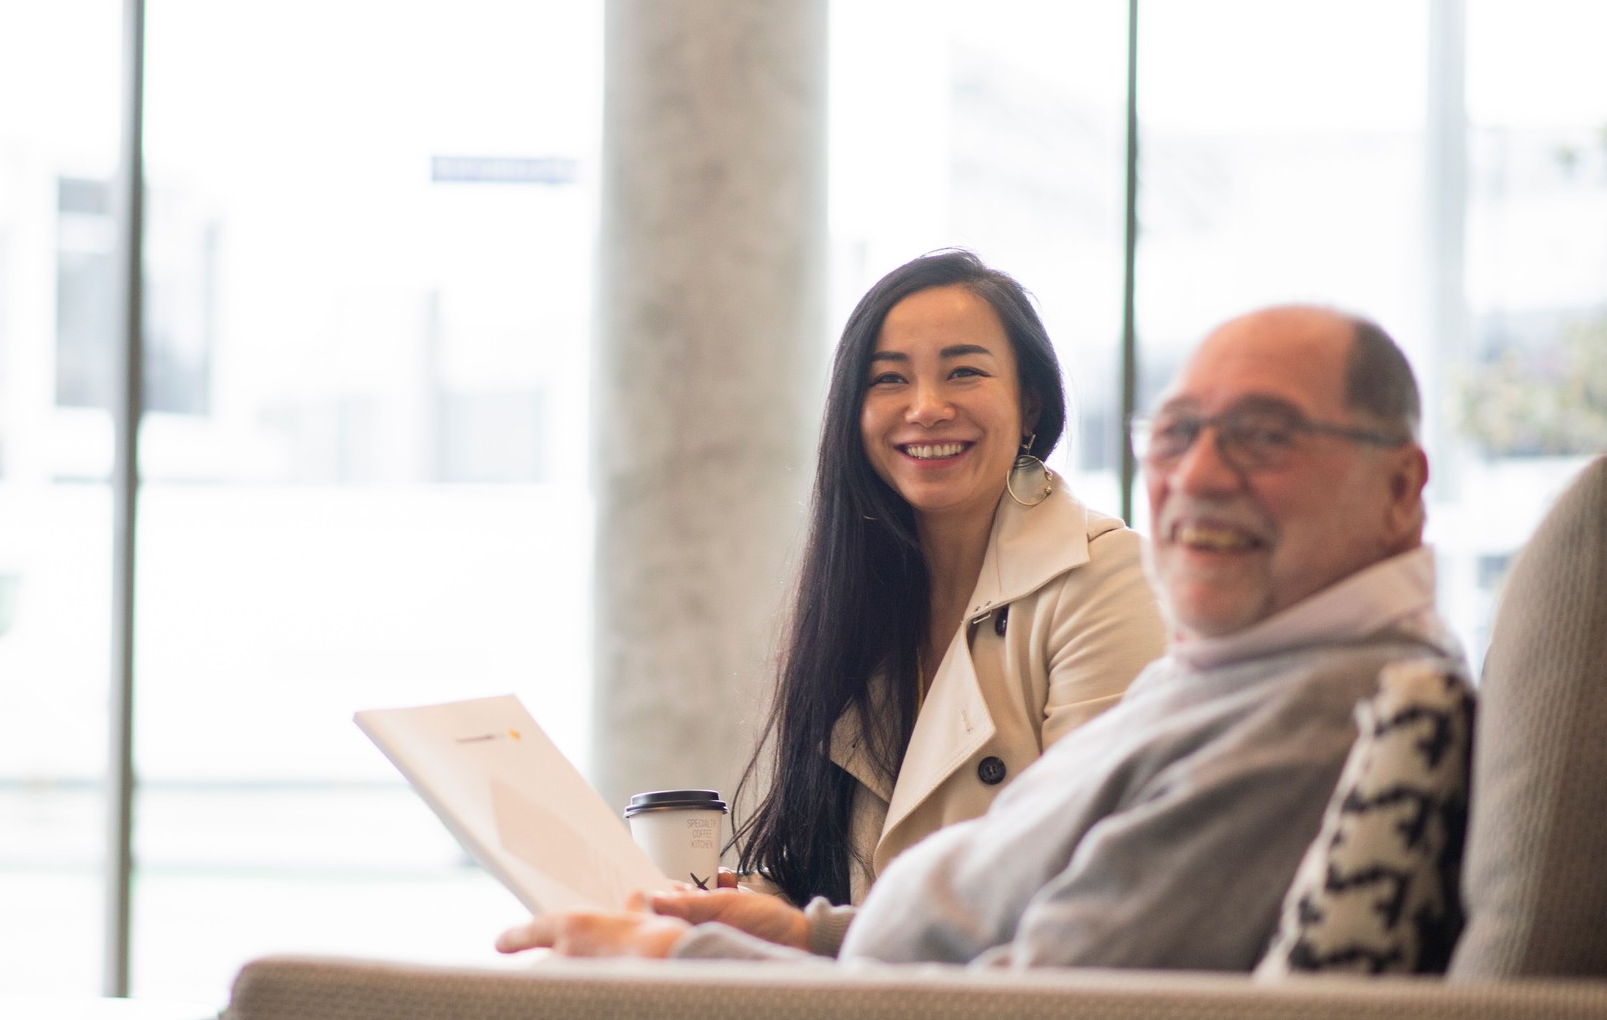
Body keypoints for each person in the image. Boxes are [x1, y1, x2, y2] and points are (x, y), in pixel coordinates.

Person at [498, 304, 1457, 970]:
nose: (1199, 475)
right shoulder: (1236, 670)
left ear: (1401, 490)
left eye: (1264, 436)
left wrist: (688, 959)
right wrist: (801, 937)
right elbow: (1022, 902)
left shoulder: (1320, 711)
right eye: (1174, 434)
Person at [729, 249, 1164, 908]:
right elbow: (822, 875)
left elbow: (1092, 882)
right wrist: (714, 905)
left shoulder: (1106, 574)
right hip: (881, 1004)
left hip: (1019, 1005)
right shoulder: (860, 595)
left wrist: (808, 934)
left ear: (1032, 407)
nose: (926, 408)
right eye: (888, 380)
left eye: (963, 372)